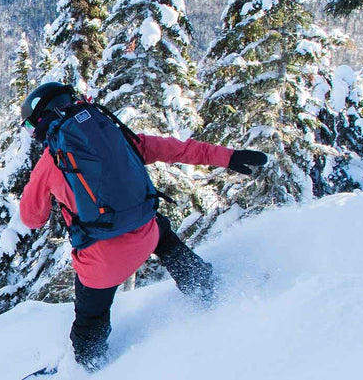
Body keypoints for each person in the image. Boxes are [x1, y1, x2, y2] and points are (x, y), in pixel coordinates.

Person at [17, 82, 268, 371]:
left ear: (40, 122)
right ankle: (207, 288)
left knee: (90, 324)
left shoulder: (51, 160)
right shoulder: (112, 133)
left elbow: (31, 219)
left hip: (103, 262)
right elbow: (174, 149)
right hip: (145, 234)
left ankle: (86, 367)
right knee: (164, 236)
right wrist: (228, 156)